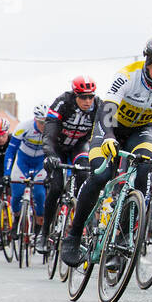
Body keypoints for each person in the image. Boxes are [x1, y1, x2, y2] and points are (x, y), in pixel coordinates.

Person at [61, 36, 152, 267]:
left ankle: (122, 237)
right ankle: (74, 234)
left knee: (143, 171)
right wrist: (109, 137)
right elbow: (107, 109)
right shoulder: (127, 76)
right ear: (149, 62)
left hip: (140, 131)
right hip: (110, 127)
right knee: (100, 175)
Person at [38, 77, 100, 252]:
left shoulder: (100, 105)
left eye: (91, 97)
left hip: (79, 146)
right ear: (75, 95)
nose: (88, 101)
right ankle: (43, 234)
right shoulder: (62, 103)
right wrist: (50, 154)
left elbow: (103, 132)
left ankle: (79, 228)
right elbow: (49, 133)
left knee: (84, 177)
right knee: (56, 187)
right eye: (83, 97)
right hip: (57, 147)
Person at [5, 106, 51, 245]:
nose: (44, 126)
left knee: (40, 195)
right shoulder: (23, 127)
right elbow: (11, 151)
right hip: (22, 162)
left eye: (46, 122)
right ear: (35, 120)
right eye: (41, 122)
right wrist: (7, 173)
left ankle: (37, 230)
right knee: (17, 194)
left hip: (40, 163)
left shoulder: (51, 129)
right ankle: (16, 220)